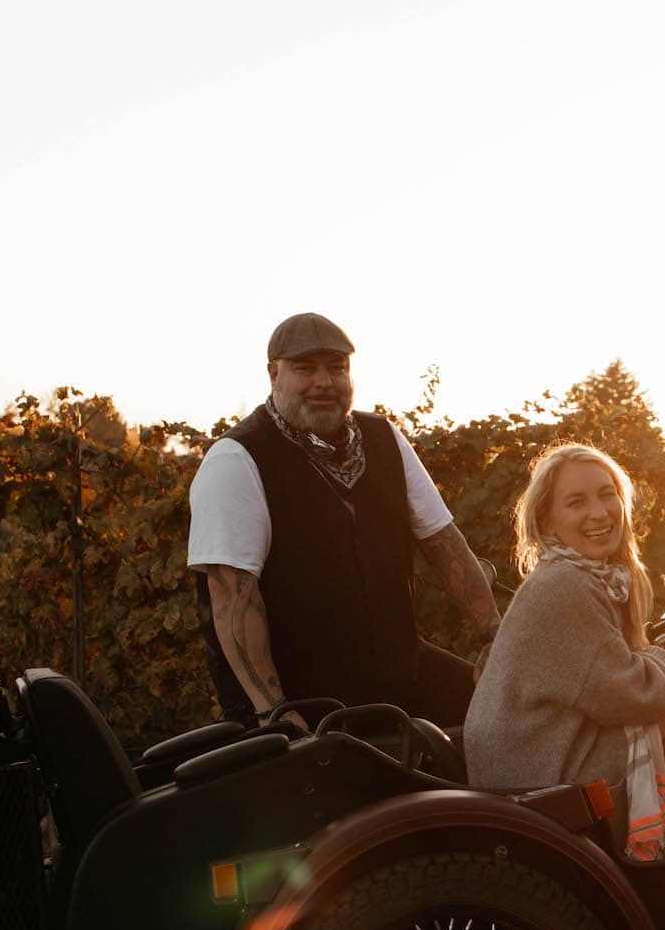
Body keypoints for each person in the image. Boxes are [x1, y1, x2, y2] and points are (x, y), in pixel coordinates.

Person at [464, 442, 665, 858]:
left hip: (540, 756)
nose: (599, 512)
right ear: (548, 520)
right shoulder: (564, 586)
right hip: (537, 780)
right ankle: (663, 866)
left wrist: (647, 658)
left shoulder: (576, 577)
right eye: (576, 502)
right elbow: (629, 694)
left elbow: (601, 671)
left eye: (606, 494)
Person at [188, 311, 498, 728]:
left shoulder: (384, 439)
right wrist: (272, 710)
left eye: (337, 367)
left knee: (503, 712)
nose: (324, 381)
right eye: (305, 368)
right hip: (301, 700)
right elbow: (232, 597)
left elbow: (445, 544)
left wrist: (493, 637)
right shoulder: (237, 460)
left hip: (399, 674)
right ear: (273, 373)